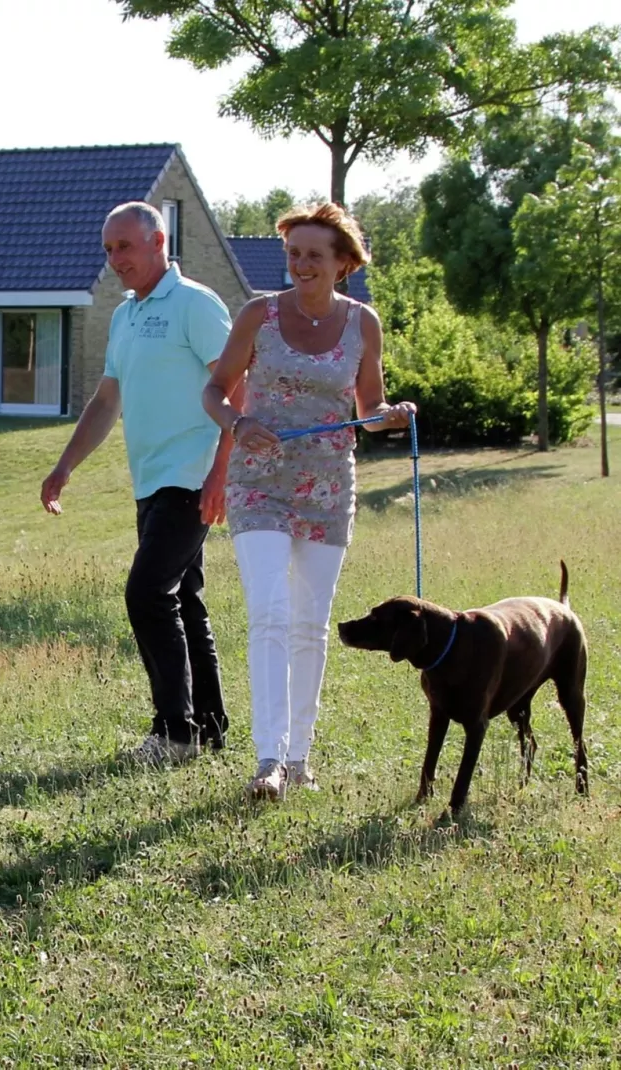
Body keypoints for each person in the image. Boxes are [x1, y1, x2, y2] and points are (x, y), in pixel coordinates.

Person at [200, 201, 417, 801]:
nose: (300, 265)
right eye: (293, 253)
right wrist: (239, 424)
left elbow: (368, 413)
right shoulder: (258, 315)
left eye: (314, 255)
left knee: (309, 625)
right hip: (259, 483)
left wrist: (392, 417)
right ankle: (267, 760)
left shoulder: (362, 323)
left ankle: (300, 758)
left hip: (326, 488)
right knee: (268, 612)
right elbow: (215, 390)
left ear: (343, 264)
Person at [41, 201, 239, 765]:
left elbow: (236, 391)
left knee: (147, 594)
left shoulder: (195, 305)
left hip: (192, 476)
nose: (114, 259)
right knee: (185, 601)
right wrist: (65, 466)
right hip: (150, 482)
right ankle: (209, 727)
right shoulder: (124, 316)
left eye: (124, 246)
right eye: (107, 249)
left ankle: (174, 733)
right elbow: (107, 400)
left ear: (159, 242)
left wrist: (223, 470)